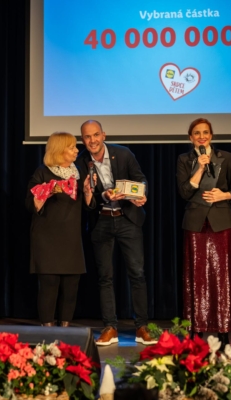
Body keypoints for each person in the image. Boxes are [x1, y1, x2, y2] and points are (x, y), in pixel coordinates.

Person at [76, 120, 156, 346]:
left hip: (127, 219)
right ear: (83, 140)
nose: (92, 140)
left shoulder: (123, 153)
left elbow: (140, 179)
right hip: (101, 221)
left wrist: (141, 194)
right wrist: (103, 196)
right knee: (105, 277)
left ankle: (142, 327)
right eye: (87, 137)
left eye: (96, 135)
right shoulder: (81, 162)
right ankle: (110, 327)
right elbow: (85, 201)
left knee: (137, 273)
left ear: (103, 135)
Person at [176, 118, 231, 348]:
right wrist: (200, 167)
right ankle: (196, 329)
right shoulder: (184, 159)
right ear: (190, 137)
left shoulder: (226, 157)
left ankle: (223, 330)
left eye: (205, 132)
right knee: (196, 278)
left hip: (221, 222)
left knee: (222, 277)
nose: (201, 136)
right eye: (197, 133)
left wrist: (224, 195)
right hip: (195, 223)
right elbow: (185, 192)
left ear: (211, 136)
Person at [26, 132, 94, 327]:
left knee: (71, 286)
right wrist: (45, 192)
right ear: (59, 150)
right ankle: (47, 327)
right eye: (72, 147)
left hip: (71, 238)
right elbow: (30, 204)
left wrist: (87, 192)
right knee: (49, 285)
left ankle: (65, 327)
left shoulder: (78, 173)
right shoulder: (42, 172)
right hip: (47, 238)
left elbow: (88, 206)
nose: (76, 151)